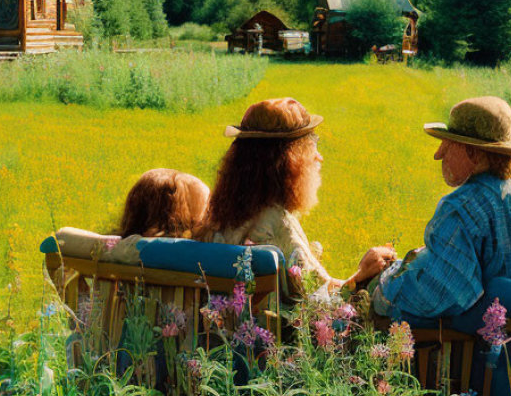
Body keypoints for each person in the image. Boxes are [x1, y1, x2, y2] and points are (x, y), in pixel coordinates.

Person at [372, 96, 511, 320]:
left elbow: (430, 298)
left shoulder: (460, 210)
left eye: (449, 144)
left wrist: (385, 278)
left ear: (474, 153)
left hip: (479, 350)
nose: (438, 154)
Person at [203, 97, 395, 292]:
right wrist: (363, 272)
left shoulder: (221, 218)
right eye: (310, 145)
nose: (318, 156)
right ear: (290, 159)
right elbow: (322, 302)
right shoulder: (277, 223)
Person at [55, 169, 210, 264]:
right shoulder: (190, 259)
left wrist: (111, 247)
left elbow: (61, 239)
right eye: (204, 214)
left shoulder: (122, 256)